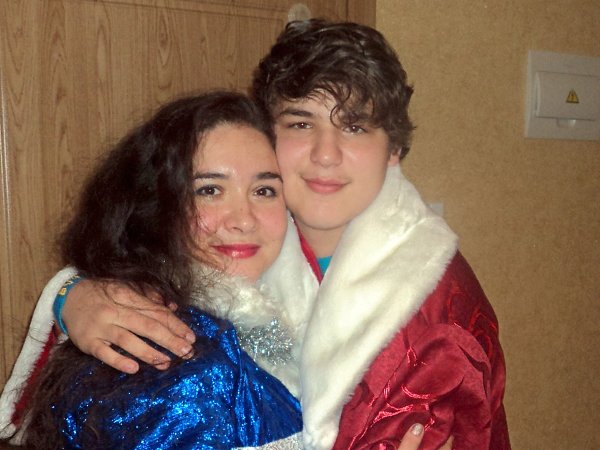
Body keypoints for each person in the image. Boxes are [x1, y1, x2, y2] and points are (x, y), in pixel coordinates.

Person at [1, 19, 508, 449]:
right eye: (301, 124)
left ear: (393, 150)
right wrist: (72, 294)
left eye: (355, 127)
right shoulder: (251, 241)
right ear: (268, 135)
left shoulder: (437, 306)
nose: (325, 155)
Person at [4, 91, 305, 448]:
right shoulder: (176, 367)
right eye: (209, 190)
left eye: (264, 190)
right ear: (155, 205)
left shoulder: (279, 312)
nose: (244, 219)